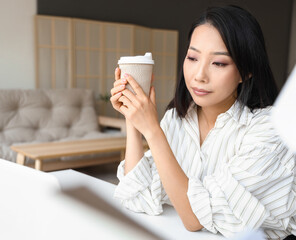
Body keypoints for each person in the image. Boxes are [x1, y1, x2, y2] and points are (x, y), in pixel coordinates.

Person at [110, 5, 296, 240]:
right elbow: (137, 196)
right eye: (193, 57)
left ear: (245, 71)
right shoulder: (178, 119)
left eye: (218, 63)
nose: (199, 75)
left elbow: (194, 219)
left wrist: (152, 130)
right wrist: (133, 121)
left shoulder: (269, 130)